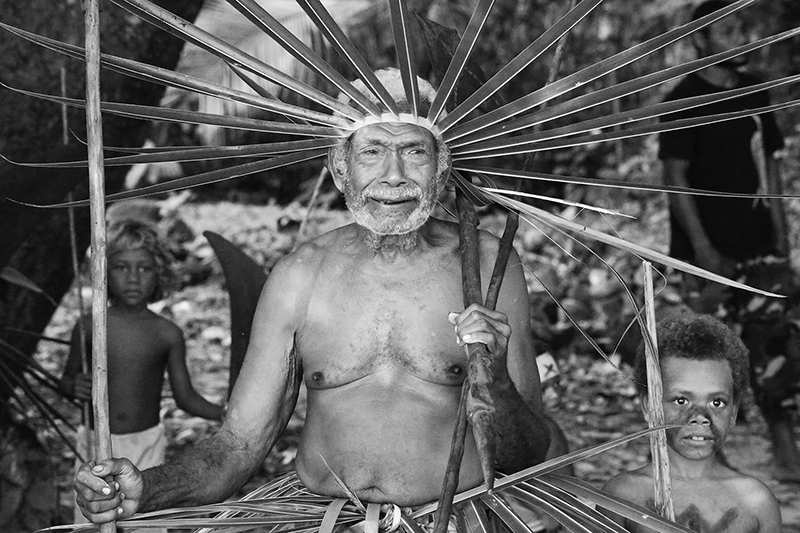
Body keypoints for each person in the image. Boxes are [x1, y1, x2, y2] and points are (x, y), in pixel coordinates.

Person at [72, 70, 551, 527]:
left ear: (442, 166)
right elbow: (239, 445)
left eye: (413, 151)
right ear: (339, 167)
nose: (393, 175)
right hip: (323, 520)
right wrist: (145, 489)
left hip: (455, 519)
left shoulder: (489, 266)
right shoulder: (301, 275)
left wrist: (499, 384)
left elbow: (526, 453)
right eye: (372, 152)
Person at [659, 0, 800, 482]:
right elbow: (675, 181)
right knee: (703, 361)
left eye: (742, 28)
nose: (738, 37)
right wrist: (702, 252)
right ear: (702, 40)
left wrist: (781, 242)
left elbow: (772, 167)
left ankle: (787, 455)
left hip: (759, 248)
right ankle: (703, 460)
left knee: (776, 349)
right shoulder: (683, 98)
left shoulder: (757, 93)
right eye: (727, 30)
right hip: (705, 255)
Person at [60, 219, 225, 524]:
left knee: (145, 520)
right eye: (121, 267)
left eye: (144, 268)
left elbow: (185, 396)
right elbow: (67, 381)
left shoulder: (167, 333)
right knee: (93, 517)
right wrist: (74, 386)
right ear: (103, 272)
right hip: (94, 443)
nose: (133, 278)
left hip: (146, 444)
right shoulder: (88, 326)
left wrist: (224, 413)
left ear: (159, 273)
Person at [601, 313, 782, 533]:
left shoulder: (755, 502)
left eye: (717, 402)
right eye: (681, 400)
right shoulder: (623, 496)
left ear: (733, 412)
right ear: (650, 406)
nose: (700, 416)